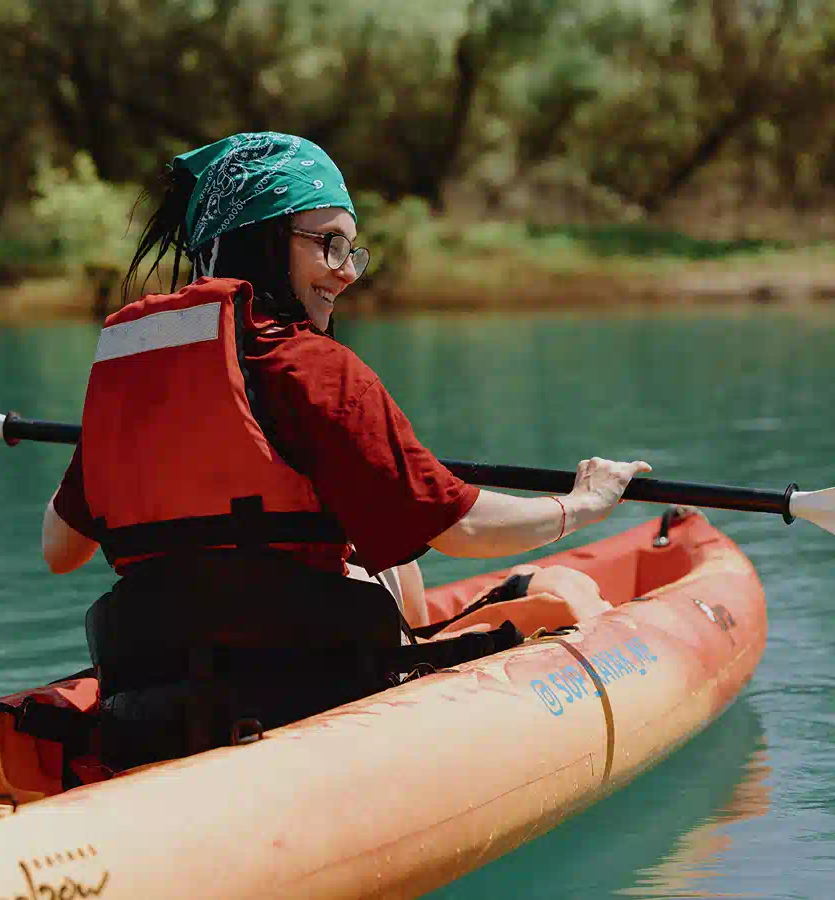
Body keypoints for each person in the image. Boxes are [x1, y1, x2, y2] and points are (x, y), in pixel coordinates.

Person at [42, 132, 650, 768]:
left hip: (151, 710)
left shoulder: (131, 380)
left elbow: (61, 551)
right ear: (263, 238)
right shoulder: (317, 371)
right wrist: (580, 505)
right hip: (306, 699)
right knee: (399, 564)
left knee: (375, 555)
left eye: (351, 250)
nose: (345, 271)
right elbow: (463, 527)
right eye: (328, 243)